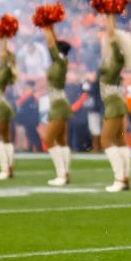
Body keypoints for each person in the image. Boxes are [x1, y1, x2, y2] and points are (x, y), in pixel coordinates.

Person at [93, 0, 131, 192]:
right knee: (119, 139)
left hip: (114, 101)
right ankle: (125, 178)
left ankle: (119, 179)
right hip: (115, 100)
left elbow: (111, 34)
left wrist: (108, 13)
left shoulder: (116, 56)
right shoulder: (112, 56)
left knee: (106, 139)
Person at [42, 26, 73, 187]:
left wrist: (47, 26)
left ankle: (61, 174)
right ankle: (65, 173)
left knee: (48, 139)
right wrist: (52, 27)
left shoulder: (60, 62)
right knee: (61, 140)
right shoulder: (60, 62)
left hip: (59, 105)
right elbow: (53, 45)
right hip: (59, 103)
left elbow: (51, 44)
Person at [0, 21, 18, 180]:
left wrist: (4, 37)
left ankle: (5, 169)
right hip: (2, 104)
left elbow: (2, 52)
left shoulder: (5, 68)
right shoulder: (4, 69)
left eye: (2, 54)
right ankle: (9, 168)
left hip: (1, 105)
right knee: (6, 138)